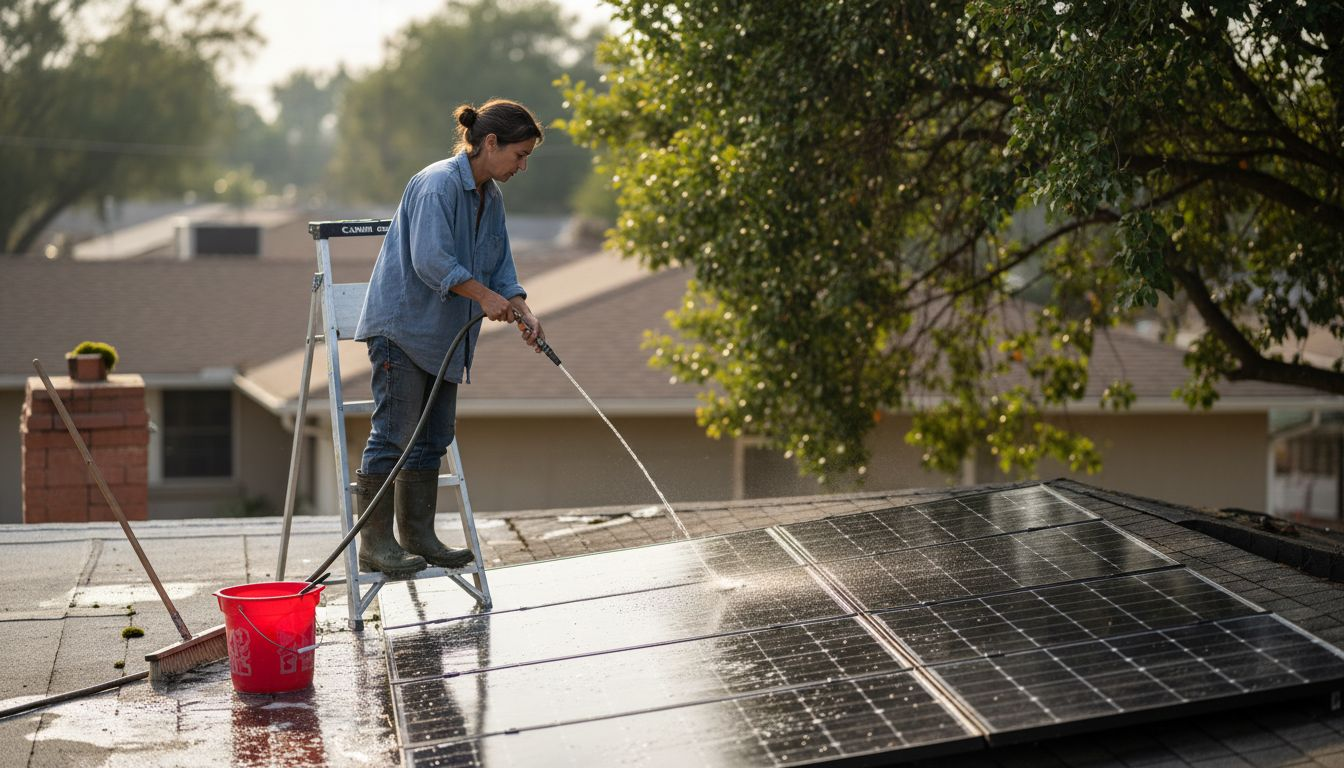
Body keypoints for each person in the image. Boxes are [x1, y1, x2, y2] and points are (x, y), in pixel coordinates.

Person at [352, 99, 545, 577]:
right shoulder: (437, 183)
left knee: (433, 437)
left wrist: (520, 306)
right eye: (519, 155)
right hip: (402, 329)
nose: (523, 166)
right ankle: (374, 544)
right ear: (490, 143)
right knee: (394, 435)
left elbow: (499, 264)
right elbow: (430, 260)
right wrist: (482, 297)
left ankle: (418, 536)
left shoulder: (489, 197)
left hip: (443, 338)